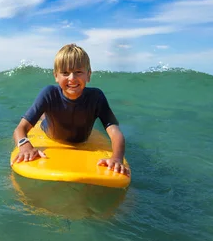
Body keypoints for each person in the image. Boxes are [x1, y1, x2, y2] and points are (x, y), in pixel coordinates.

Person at [11, 43, 129, 175]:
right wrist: (25, 146)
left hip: (81, 138)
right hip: (49, 130)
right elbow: (20, 129)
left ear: (88, 75)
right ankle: (43, 115)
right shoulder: (49, 94)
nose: (72, 78)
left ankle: (44, 113)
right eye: (65, 73)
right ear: (56, 76)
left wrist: (117, 158)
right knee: (44, 118)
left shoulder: (97, 97)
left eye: (78, 72)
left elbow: (115, 133)